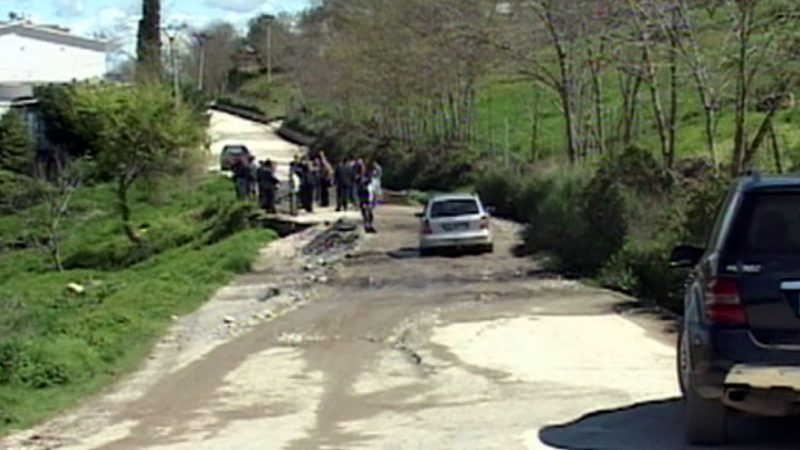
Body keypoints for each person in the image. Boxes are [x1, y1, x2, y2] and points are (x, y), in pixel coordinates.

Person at [357, 162, 376, 233]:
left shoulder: (367, 179)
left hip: (368, 197)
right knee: (366, 213)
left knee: (369, 213)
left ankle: (369, 225)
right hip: (364, 198)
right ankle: (367, 226)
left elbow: (372, 190)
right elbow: (361, 190)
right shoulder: (361, 179)